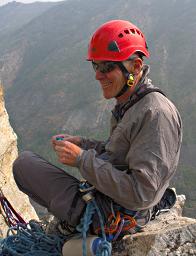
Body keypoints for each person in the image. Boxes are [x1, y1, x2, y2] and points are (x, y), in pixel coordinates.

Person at [13, 20, 182, 236]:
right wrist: (83, 144)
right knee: (28, 164)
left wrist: (82, 159)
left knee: (24, 165)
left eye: (107, 67)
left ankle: (75, 223)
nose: (97, 75)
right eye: (96, 65)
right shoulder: (131, 104)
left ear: (136, 66)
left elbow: (142, 194)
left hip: (113, 215)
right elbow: (121, 156)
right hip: (109, 201)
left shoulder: (155, 114)